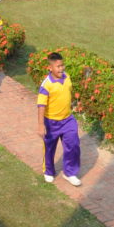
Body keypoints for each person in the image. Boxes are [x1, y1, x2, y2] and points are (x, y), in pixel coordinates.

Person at [36, 51, 82, 187]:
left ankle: (70, 173)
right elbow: (41, 105)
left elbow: (67, 94)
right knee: (49, 148)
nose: (61, 69)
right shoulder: (46, 85)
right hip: (51, 122)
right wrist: (40, 124)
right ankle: (48, 171)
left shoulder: (67, 77)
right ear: (50, 68)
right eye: (58, 67)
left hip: (68, 120)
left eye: (62, 66)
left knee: (73, 144)